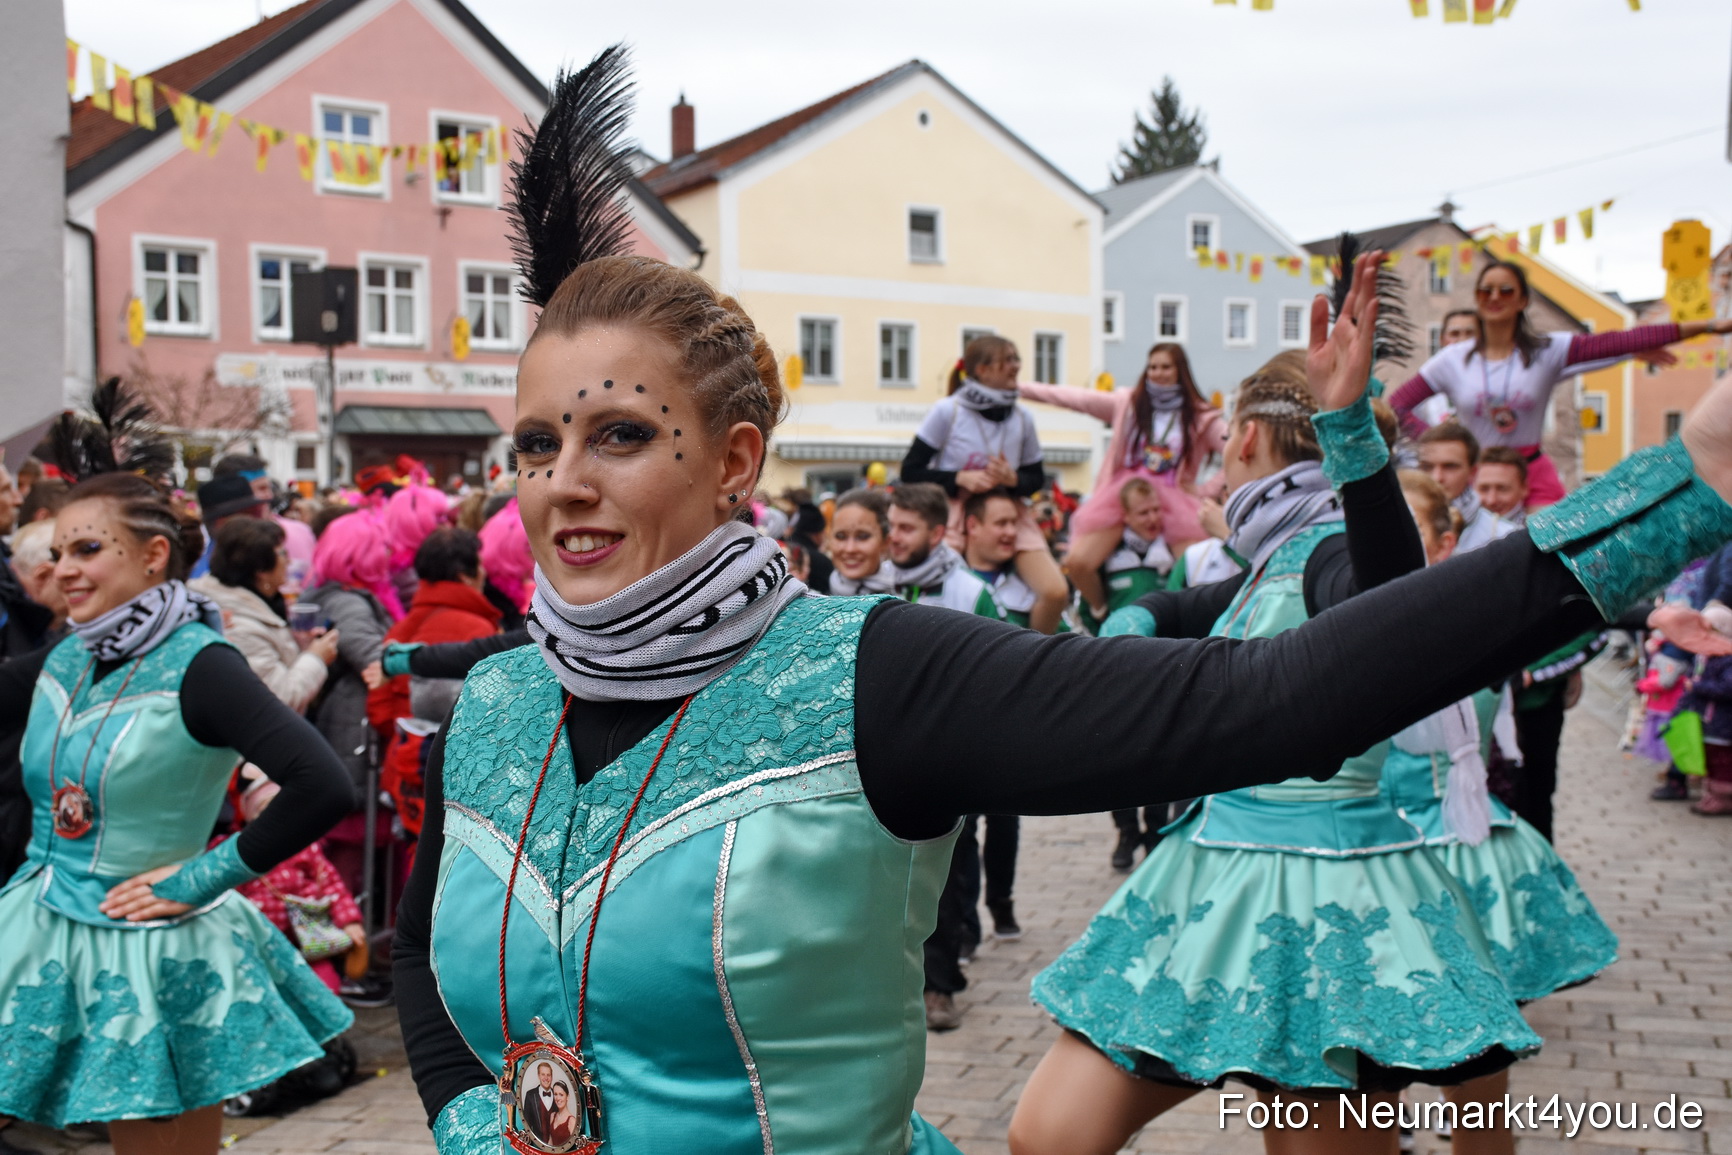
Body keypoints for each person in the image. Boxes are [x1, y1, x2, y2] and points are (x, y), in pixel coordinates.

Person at [393, 59, 1732, 1154]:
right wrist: (468, 1122)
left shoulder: (877, 677)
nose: (563, 482)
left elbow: (1274, 697)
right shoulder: (497, 703)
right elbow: (424, 967)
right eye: (534, 443)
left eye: (621, 433)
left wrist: (1695, 483)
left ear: (736, 461)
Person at [1012, 361, 1541, 1155]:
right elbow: (1184, 603)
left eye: (1223, 439)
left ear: (1246, 438)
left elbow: (1390, 604)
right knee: (1049, 1133)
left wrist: (1351, 432)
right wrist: (1132, 630)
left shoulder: (1329, 549)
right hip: (1210, 873)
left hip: (1327, 895)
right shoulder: (1272, 556)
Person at [0, 472, 353, 1153]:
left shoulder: (203, 664)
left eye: (86, 548)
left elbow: (322, 784)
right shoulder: (72, 652)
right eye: (59, 551)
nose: (62, 568)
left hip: (149, 942)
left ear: (153, 555)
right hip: (38, 922)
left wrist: (200, 877)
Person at [1391, 259, 1732, 509]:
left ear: (1523, 300)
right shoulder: (1452, 359)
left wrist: (1709, 326)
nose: (1495, 296)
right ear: (1477, 298)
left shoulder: (1547, 350)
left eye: (1506, 290)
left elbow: (1618, 341)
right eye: (1486, 290)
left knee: (1547, 556)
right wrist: (1445, 446)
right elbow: (1398, 405)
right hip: (1476, 476)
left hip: (1532, 473)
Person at [1021, 342, 1227, 620]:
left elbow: (1237, 451)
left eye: (1166, 366)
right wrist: (1020, 389)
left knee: (1202, 570)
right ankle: (1101, 614)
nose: (1158, 373)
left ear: (1181, 370)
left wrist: (1205, 491)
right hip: (1121, 498)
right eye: (1152, 367)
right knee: (1078, 562)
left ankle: (1191, 622)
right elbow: (1075, 398)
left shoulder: (1200, 416)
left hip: (1174, 502)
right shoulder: (1129, 403)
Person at [900, 335, 1068, 632]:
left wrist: (1013, 479)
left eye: (1016, 358)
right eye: (1007, 359)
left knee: (1055, 592)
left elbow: (1036, 478)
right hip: (954, 513)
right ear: (981, 369)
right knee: (940, 590)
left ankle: (1034, 655)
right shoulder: (948, 410)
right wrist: (959, 478)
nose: (1016, 366)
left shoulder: (1023, 417)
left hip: (1007, 512)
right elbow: (910, 471)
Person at [191, 516, 339, 715]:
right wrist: (315, 657)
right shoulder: (238, 625)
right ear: (260, 568)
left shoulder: (261, 603)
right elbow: (280, 700)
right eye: (282, 553)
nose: (289, 561)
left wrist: (301, 646)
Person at [367, 527, 502, 734]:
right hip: (452, 748)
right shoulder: (478, 629)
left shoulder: (399, 630)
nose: (484, 572)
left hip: (404, 747)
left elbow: (379, 707)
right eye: (480, 564)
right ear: (465, 576)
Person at [886, 482, 994, 614]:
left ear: (936, 534)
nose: (893, 537)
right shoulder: (875, 577)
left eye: (906, 528)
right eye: (890, 526)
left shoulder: (973, 592)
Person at [1416, 422, 1518, 553]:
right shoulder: (1400, 526)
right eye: (1427, 467)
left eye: (1450, 466)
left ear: (1472, 472)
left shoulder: (1503, 536)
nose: (1437, 477)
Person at [827, 488, 894, 595]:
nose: (850, 549)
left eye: (863, 537)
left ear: (885, 542)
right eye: (840, 536)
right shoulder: (811, 596)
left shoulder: (909, 596)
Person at [1474, 445, 1530, 524]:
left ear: (1524, 488)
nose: (1492, 500)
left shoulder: (1535, 530)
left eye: (1502, 489)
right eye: (1484, 489)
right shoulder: (1461, 527)